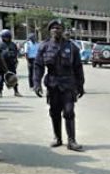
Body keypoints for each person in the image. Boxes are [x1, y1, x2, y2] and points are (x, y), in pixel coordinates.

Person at [33, 19, 85, 151]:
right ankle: (57, 138)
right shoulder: (44, 46)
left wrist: (80, 85)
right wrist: (36, 84)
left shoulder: (72, 47)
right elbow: (38, 66)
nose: (56, 30)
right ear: (50, 30)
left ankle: (72, 141)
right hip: (52, 84)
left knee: (69, 112)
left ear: (63, 30)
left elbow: (78, 67)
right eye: (54, 28)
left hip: (68, 84)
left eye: (59, 28)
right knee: (54, 112)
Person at [0, 29, 21, 97]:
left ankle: (16, 91)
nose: (6, 38)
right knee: (1, 78)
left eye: (7, 37)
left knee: (13, 77)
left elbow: (16, 53)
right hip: (3, 64)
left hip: (11, 64)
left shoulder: (13, 44)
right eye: (4, 37)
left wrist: (16, 61)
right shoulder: (0, 45)